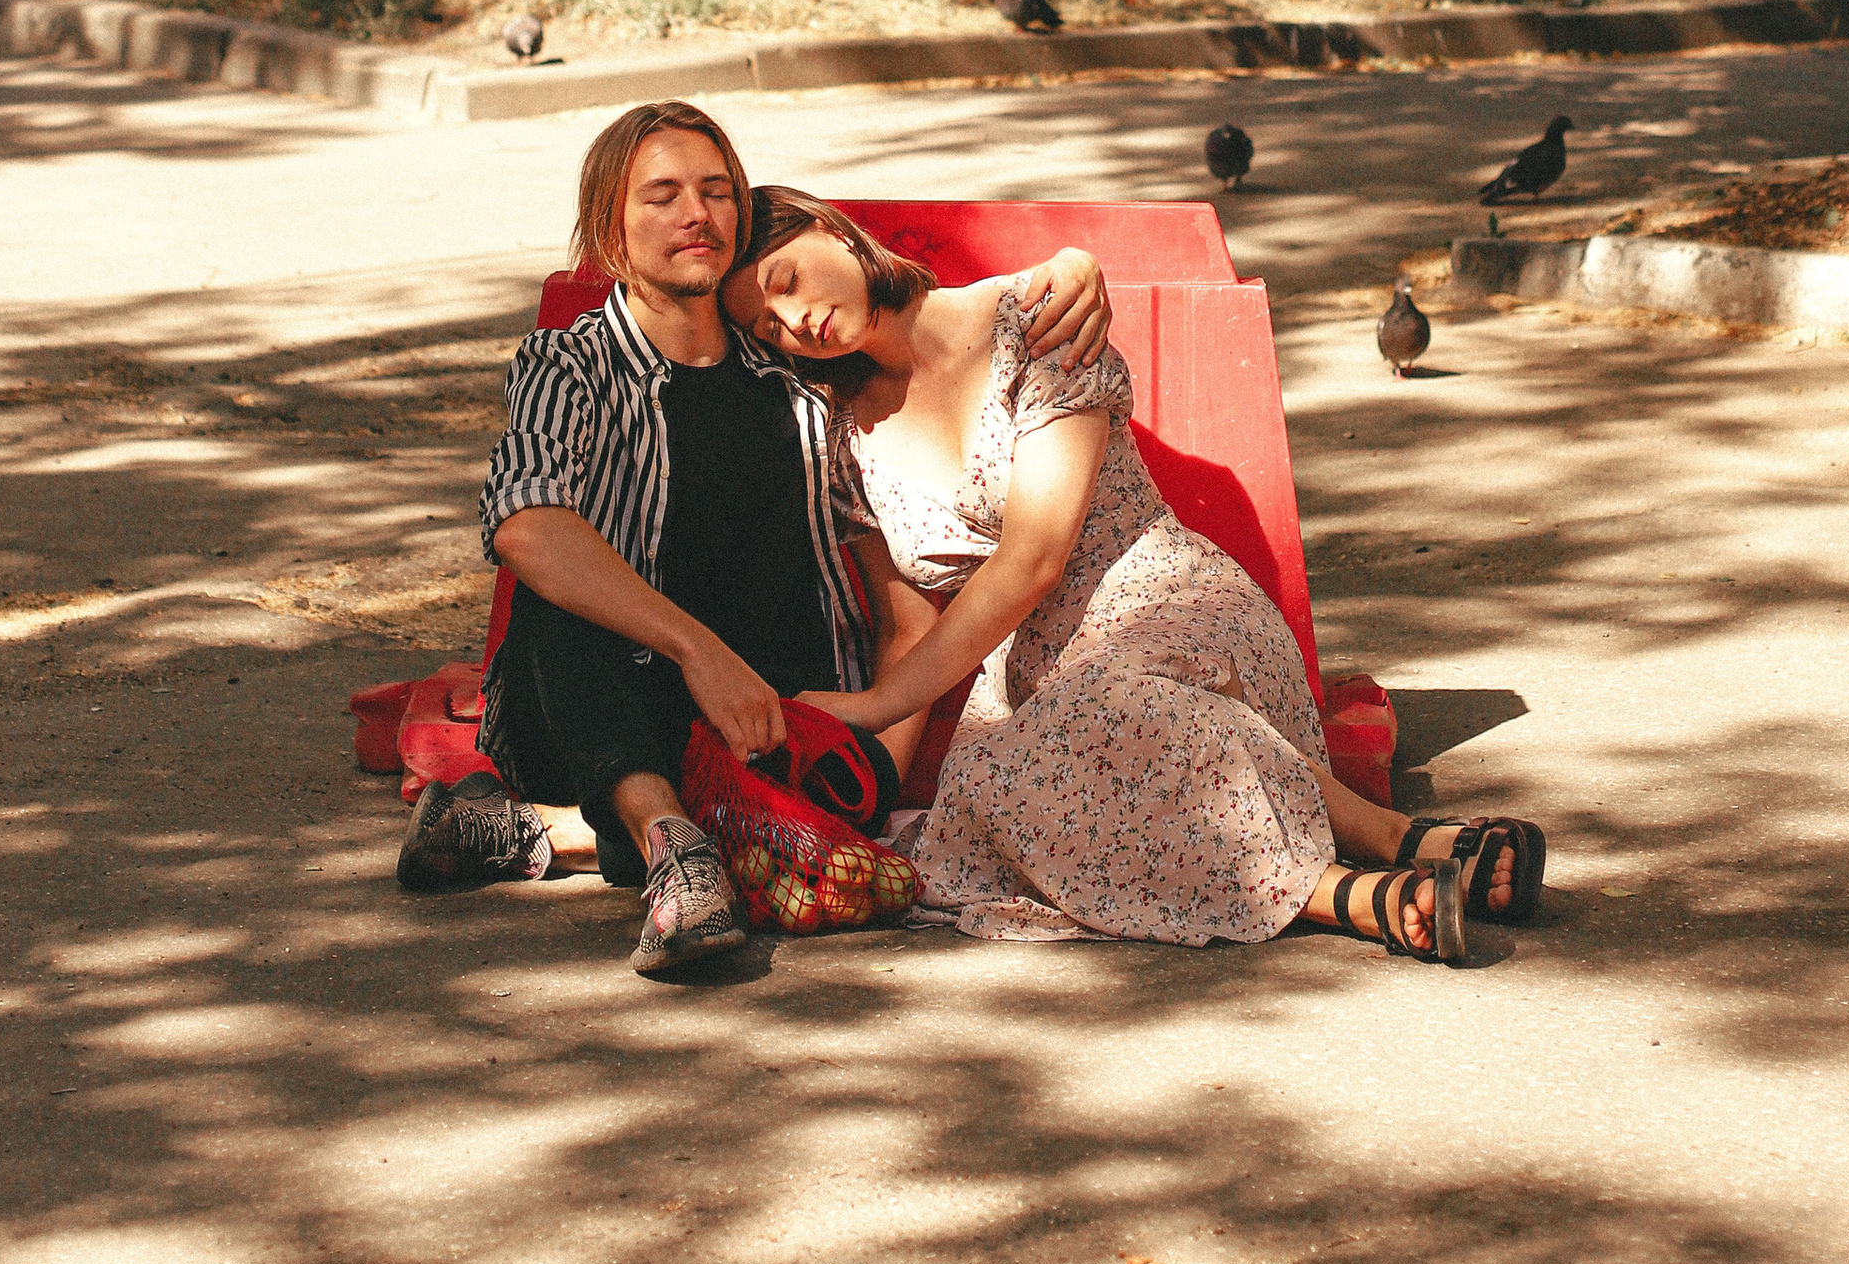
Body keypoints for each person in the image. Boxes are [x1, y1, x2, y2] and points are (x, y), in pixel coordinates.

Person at [723, 188, 1547, 963]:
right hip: (1035, 697)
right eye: (767, 326)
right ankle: (1355, 888)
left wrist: (868, 708)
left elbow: (1035, 558)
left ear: (828, 228)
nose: (796, 320)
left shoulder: (1035, 320)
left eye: (786, 281)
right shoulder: (840, 443)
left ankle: (1381, 851)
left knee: (1105, 706)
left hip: (1173, 606)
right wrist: (863, 794)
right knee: (993, 780)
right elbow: (911, 629)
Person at [415, 101, 1114, 980]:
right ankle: (677, 856)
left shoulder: (801, 376)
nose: (695, 213)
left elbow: (933, 341)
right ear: (609, 229)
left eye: (715, 191)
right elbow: (525, 524)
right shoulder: (570, 363)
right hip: (594, 693)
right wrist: (695, 649)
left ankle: (522, 831)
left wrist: (1069, 268)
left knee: (767, 725)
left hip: (763, 717)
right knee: (571, 606)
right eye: (661, 196)